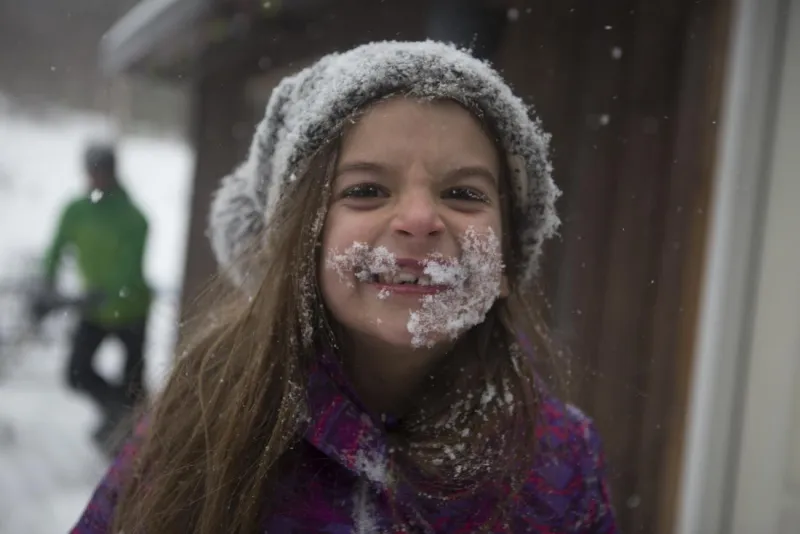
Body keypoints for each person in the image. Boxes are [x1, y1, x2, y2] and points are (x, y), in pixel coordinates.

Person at [72, 41, 616, 533]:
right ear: (298, 246)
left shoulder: (561, 460)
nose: (421, 218)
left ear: (505, 262)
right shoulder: (199, 427)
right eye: (368, 189)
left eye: (464, 194)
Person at [36, 142, 151, 451]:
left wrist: (102, 291)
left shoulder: (134, 218)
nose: (96, 177)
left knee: (134, 385)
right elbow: (56, 248)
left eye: (102, 171)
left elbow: (129, 268)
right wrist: (46, 282)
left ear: (113, 172)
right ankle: (119, 415)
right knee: (77, 373)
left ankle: (133, 435)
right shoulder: (76, 211)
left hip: (131, 309)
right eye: (92, 171)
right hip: (94, 312)